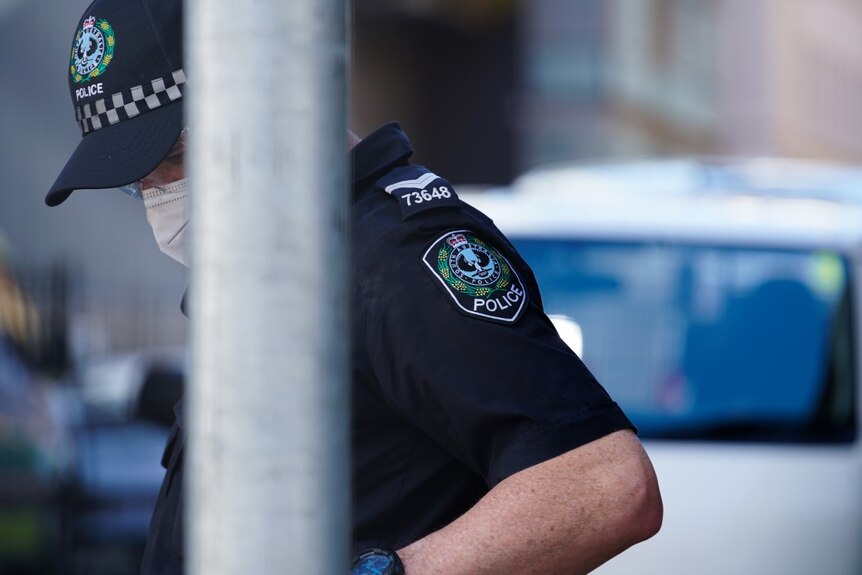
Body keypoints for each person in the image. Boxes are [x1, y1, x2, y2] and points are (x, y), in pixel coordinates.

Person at [47, 0, 663, 574]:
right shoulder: (278, 266)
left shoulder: (393, 257)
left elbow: (604, 482)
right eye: (138, 183)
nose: (155, 197)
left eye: (164, 164)